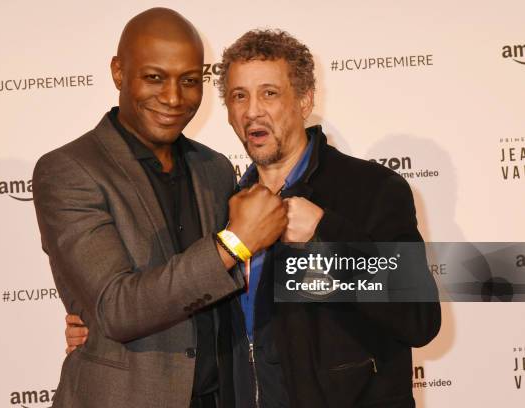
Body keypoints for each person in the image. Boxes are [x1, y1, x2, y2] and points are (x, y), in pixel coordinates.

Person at [64, 29, 441, 408]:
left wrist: (324, 236)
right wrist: (98, 331)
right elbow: (174, 294)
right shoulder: (221, 201)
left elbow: (421, 319)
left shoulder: (369, 189)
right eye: (239, 96)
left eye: (269, 93)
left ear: (305, 100)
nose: (252, 110)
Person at [33, 8, 287, 408]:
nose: (173, 98)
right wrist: (234, 244)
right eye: (154, 77)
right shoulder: (69, 169)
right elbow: (116, 308)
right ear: (119, 71)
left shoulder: (215, 167)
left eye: (189, 81)